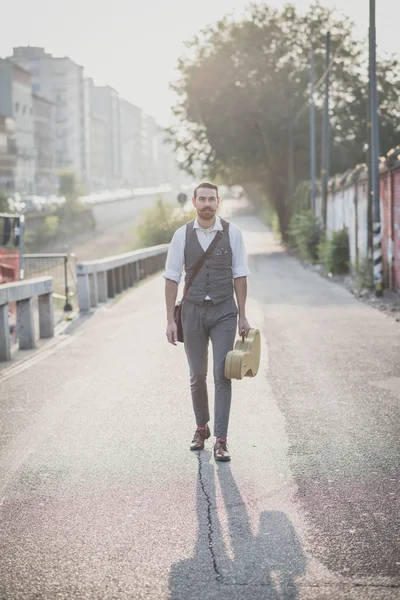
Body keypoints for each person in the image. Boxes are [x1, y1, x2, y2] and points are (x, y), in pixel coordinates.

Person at [164, 182, 250, 462]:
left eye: (211, 199)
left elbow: (240, 274)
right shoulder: (181, 235)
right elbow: (171, 277)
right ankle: (202, 428)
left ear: (218, 202)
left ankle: (222, 441)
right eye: (202, 199)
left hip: (225, 310)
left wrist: (243, 315)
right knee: (197, 375)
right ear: (193, 202)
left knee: (222, 374)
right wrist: (170, 320)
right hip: (192, 312)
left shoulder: (232, 232)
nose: (207, 204)